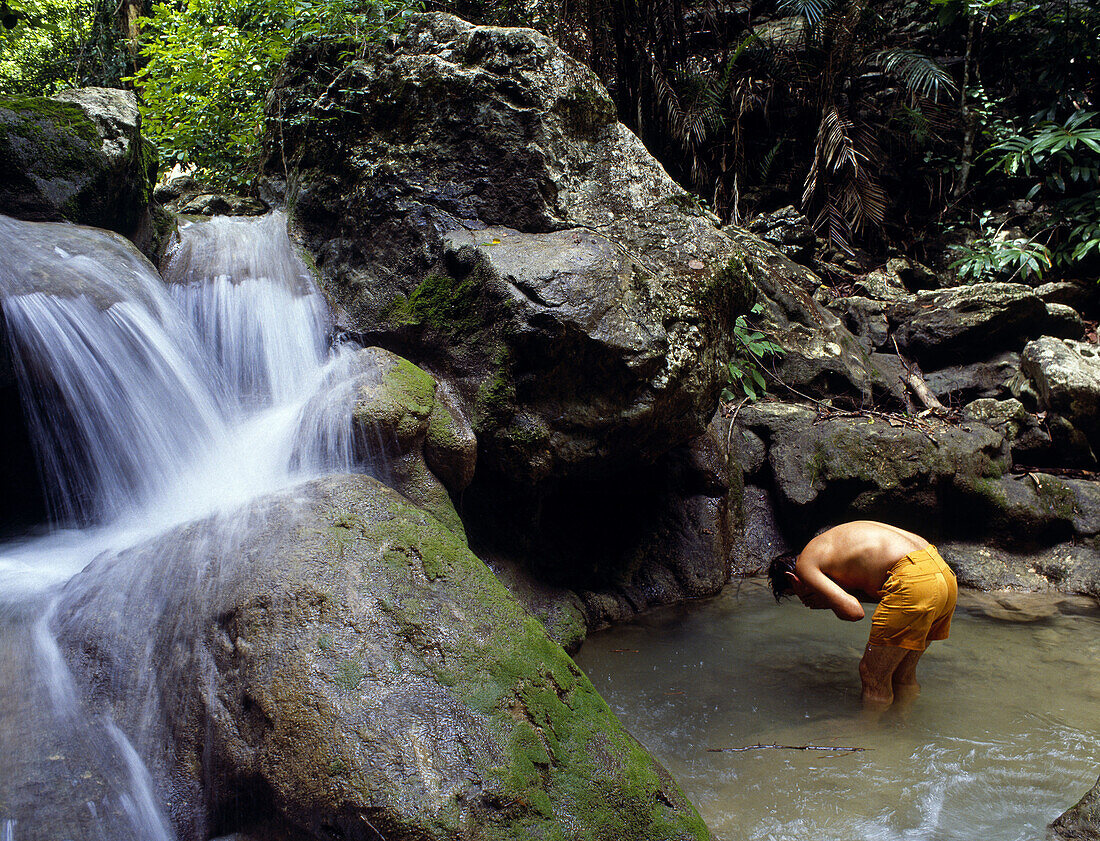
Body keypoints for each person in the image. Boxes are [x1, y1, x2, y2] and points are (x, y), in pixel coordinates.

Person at [767, 520, 957, 709]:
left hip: (914, 580)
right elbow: (886, 595)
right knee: (902, 675)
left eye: (794, 594)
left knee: (872, 674)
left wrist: (829, 602)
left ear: (793, 579)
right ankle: (900, 725)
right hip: (943, 575)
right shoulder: (832, 550)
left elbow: (854, 612)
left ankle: (868, 734)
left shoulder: (804, 563)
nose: (803, 601)